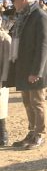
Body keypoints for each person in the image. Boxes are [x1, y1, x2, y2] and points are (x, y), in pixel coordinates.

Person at [7, 0, 47, 149]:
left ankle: (40, 134)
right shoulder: (23, 16)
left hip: (34, 68)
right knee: (27, 102)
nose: (12, 3)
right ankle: (32, 131)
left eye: (14, 0)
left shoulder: (39, 16)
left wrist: (37, 71)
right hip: (23, 65)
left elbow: (44, 45)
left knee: (37, 101)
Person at [0, 18, 11, 146]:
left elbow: (7, 63)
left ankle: (3, 135)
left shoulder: (5, 38)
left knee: (1, 108)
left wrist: (3, 80)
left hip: (1, 80)